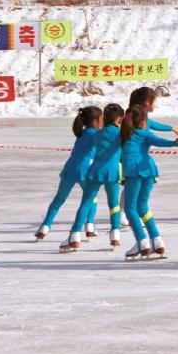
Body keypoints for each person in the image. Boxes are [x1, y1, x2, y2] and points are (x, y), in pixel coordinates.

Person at [120, 105, 178, 259]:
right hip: (148, 171)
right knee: (142, 207)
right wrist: (177, 143)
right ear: (143, 121)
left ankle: (142, 240)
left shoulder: (122, 135)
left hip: (134, 172)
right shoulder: (144, 133)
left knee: (130, 209)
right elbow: (159, 141)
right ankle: (157, 240)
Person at [60, 103, 126, 252]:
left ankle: (75, 235)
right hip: (113, 173)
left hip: (95, 172)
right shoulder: (120, 135)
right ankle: (115, 234)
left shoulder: (97, 134)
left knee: (85, 203)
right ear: (120, 120)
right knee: (114, 205)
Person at [34, 107, 102, 240]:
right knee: (91, 199)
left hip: (69, 169)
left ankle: (45, 226)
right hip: (85, 169)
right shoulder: (96, 134)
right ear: (95, 122)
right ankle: (90, 225)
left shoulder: (81, 133)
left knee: (59, 199)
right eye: (102, 118)